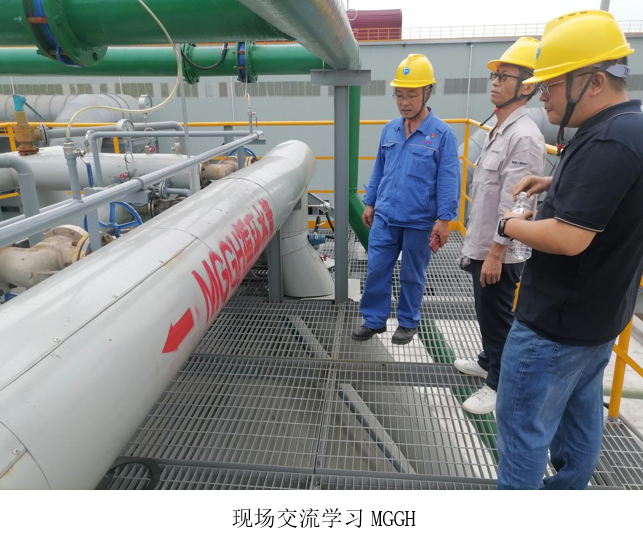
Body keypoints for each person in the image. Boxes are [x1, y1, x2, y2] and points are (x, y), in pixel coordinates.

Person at [495, 10, 643, 489]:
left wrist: (510, 225)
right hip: (599, 319)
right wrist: (554, 180)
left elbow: (569, 238)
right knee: (580, 420)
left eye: (551, 84)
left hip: (554, 327)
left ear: (594, 81)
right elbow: (610, 196)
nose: (543, 95)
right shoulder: (629, 126)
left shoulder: (608, 142)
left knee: (522, 430)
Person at [455, 37, 546, 414]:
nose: (495, 81)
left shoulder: (524, 137)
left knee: (497, 314)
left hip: (500, 251)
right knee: (486, 311)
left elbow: (518, 205)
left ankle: (498, 385)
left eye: (504, 76)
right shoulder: (501, 128)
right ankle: (488, 361)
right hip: (484, 242)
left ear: (526, 87)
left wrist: (495, 252)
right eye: (495, 75)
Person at [351, 54, 460, 345]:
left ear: (427, 92)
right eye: (399, 95)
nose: (404, 102)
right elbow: (380, 168)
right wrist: (370, 202)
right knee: (376, 268)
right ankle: (374, 320)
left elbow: (449, 179)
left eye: (411, 95)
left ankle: (408, 322)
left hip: (419, 221)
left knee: (412, 274)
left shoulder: (442, 134)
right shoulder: (391, 129)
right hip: (386, 215)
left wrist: (444, 220)